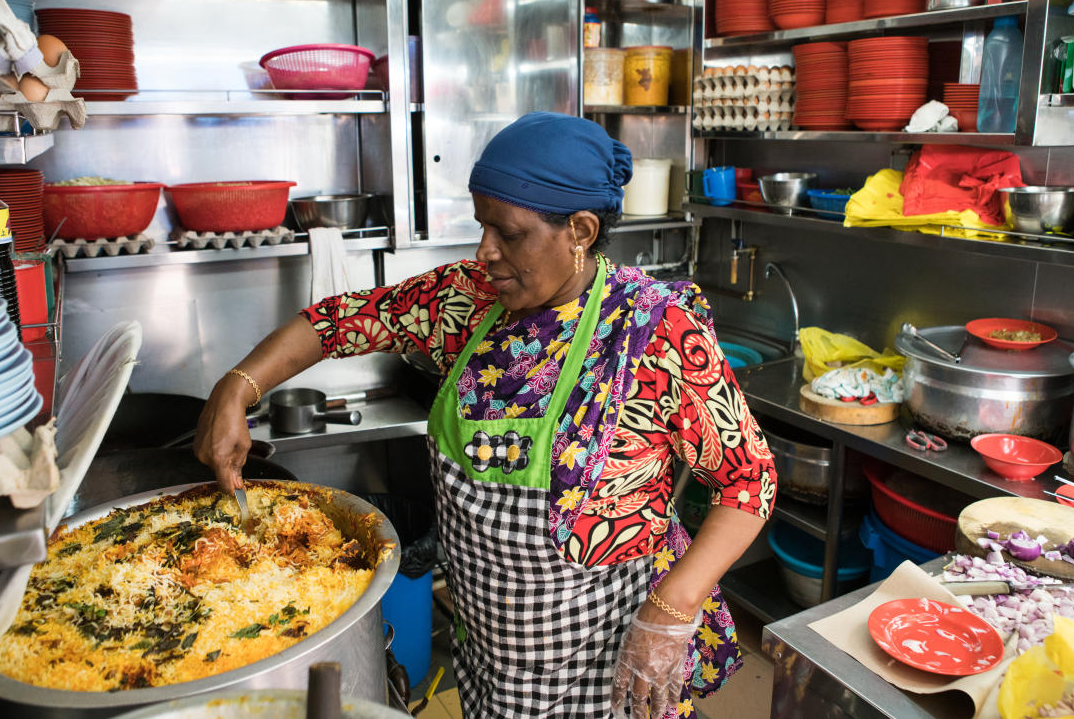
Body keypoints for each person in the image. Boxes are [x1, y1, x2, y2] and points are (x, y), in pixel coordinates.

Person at [195, 112, 777, 718]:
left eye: (509, 234)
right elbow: (339, 321)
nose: (485, 252)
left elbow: (749, 480)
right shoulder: (468, 300)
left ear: (579, 230)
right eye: (481, 227)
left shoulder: (653, 332)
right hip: (490, 657)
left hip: (607, 657)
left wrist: (675, 604)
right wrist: (238, 387)